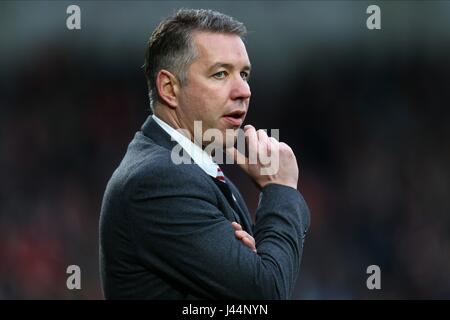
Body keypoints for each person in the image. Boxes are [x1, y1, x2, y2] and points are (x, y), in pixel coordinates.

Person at [99, 8, 310, 299]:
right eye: (220, 74)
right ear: (169, 88)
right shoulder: (158, 179)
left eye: (244, 74)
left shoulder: (196, 170)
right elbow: (267, 294)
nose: (243, 91)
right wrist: (281, 191)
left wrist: (254, 264)